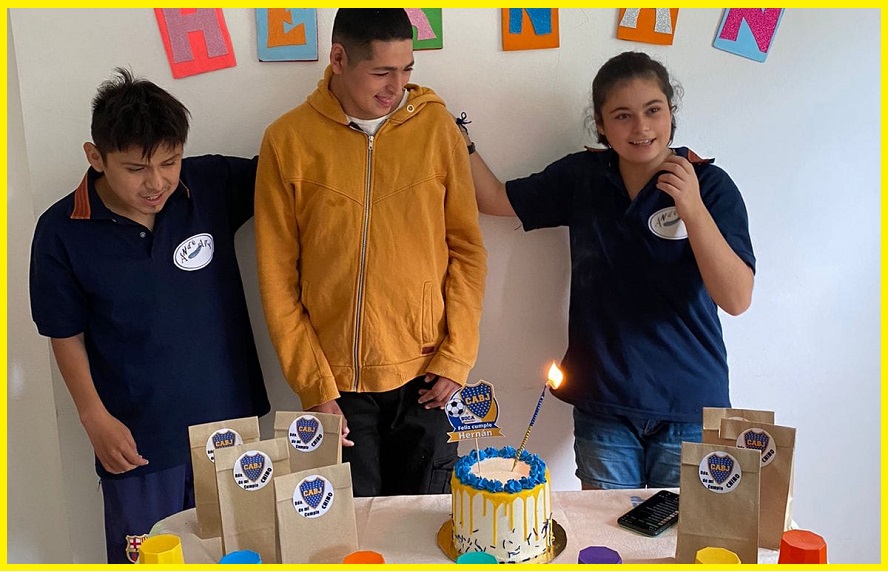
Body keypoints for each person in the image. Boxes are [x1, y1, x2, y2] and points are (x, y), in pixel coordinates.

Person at [458, 51, 755, 490]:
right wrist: (460, 140)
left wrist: (692, 208)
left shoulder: (710, 185)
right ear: (600, 124)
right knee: (606, 533)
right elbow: (496, 199)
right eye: (622, 116)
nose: (641, 128)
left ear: (670, 111)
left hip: (690, 406)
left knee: (683, 535)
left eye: (653, 110)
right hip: (605, 405)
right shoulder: (584, 176)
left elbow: (736, 299)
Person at [29, 68, 270, 563]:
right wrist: (93, 417)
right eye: (136, 168)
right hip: (137, 441)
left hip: (230, 430)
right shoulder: (60, 230)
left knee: (240, 556)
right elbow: (64, 334)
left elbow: (297, 167)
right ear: (95, 157)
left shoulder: (208, 183)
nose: (156, 182)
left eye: (169, 161)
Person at [255, 8, 487, 498]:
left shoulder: (437, 129)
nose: (396, 87)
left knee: (423, 525)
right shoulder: (287, 140)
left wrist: (457, 356)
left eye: (406, 70)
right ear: (339, 58)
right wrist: (314, 385)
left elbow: (467, 250)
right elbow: (276, 275)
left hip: (428, 376)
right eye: (382, 72)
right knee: (352, 529)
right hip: (336, 385)